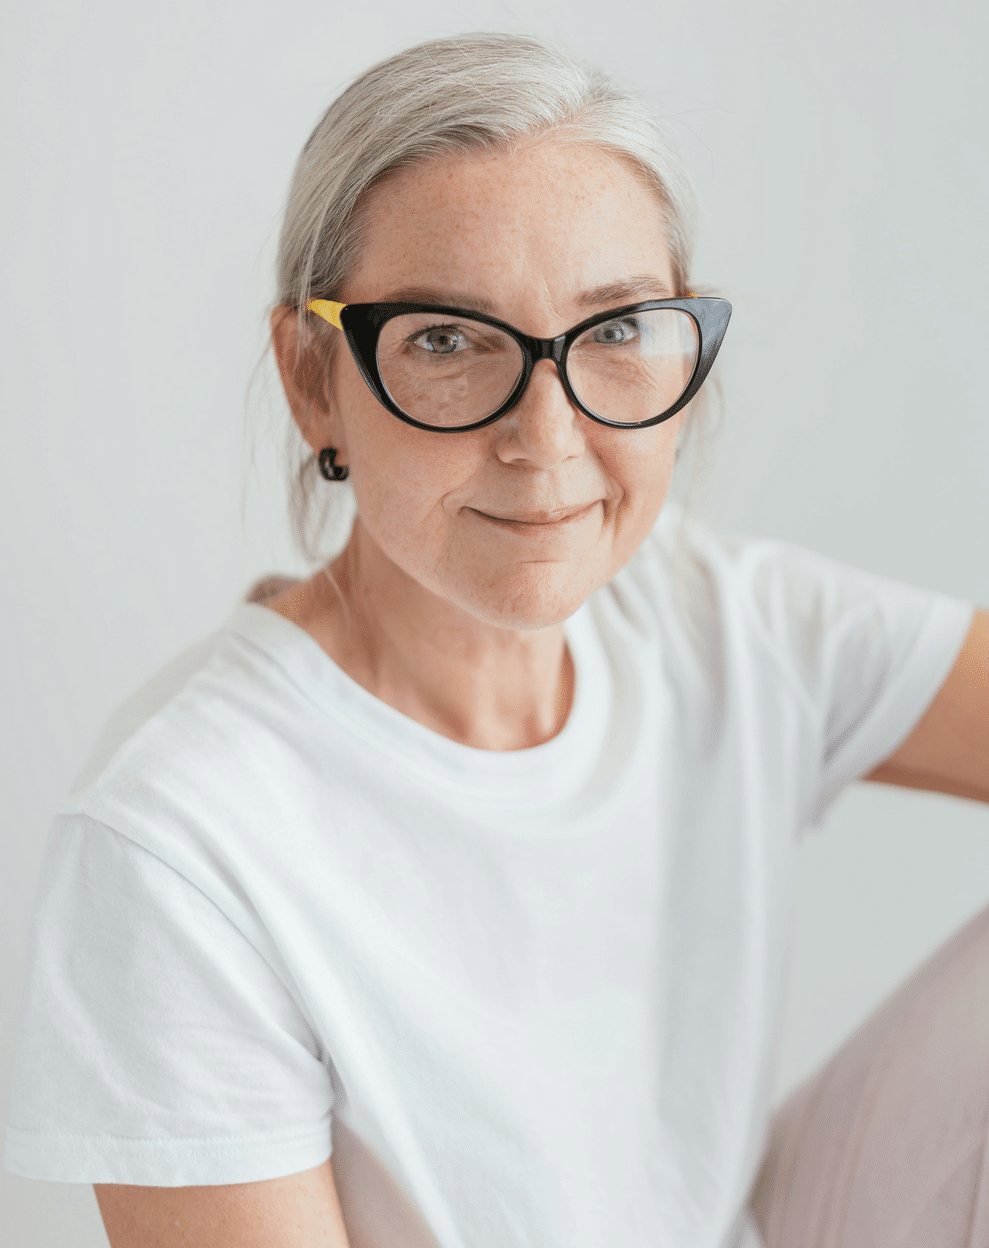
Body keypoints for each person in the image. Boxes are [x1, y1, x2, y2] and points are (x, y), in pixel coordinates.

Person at [3, 31, 987, 1248]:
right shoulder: (178, 848)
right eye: (444, 341)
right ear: (315, 379)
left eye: (615, 332)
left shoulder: (712, 616)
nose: (547, 436)